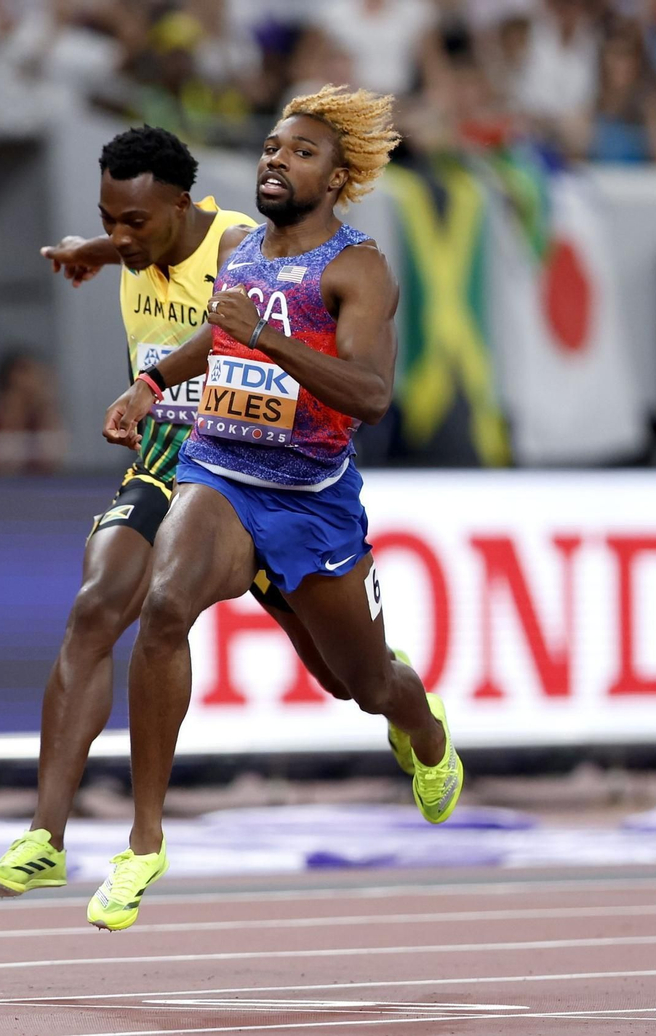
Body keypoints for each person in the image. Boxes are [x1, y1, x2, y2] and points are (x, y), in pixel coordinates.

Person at [0, 125, 406, 902]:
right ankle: (46, 838)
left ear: (180, 207)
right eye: (110, 218)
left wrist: (257, 340)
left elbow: (338, 357)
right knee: (98, 608)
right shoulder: (133, 241)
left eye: (134, 223)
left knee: (350, 682)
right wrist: (88, 250)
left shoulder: (245, 244)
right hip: (173, 462)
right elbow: (131, 241)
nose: (122, 236)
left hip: (265, 470)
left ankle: (409, 713)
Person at [91, 86, 462, 932]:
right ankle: (144, 842)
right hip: (221, 476)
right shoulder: (245, 249)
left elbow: (370, 395)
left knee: (359, 685)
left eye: (299, 153)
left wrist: (268, 340)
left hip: (312, 505)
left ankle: (425, 729)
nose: (274, 160)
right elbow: (217, 335)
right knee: (162, 608)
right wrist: (152, 384)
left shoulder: (358, 268)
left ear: (337, 179)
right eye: (269, 147)